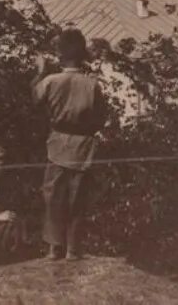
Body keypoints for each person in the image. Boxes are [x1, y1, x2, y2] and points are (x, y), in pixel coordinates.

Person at [32, 28, 108, 260]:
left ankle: (55, 248)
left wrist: (40, 71)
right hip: (84, 145)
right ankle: (73, 249)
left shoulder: (50, 81)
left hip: (57, 143)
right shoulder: (92, 84)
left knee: (54, 196)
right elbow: (101, 117)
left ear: (61, 54)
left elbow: (34, 100)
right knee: (78, 198)